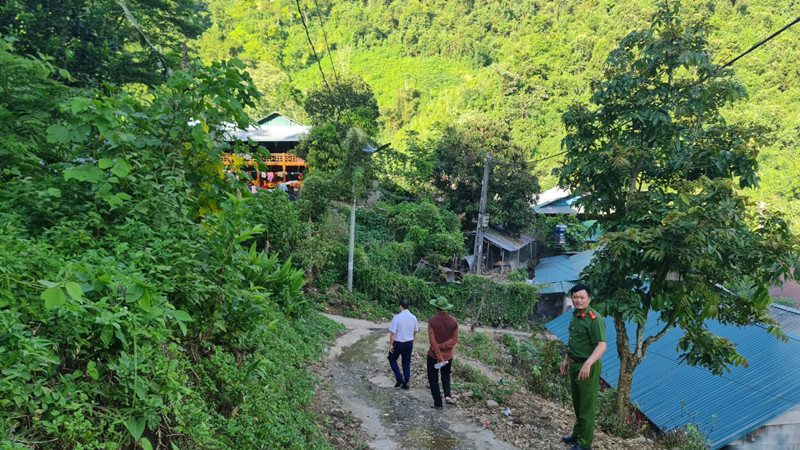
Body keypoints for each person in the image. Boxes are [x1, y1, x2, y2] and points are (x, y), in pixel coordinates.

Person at [559, 284, 607, 450]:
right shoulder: (575, 315)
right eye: (575, 297)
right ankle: (577, 435)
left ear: (589, 299)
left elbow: (601, 345)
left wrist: (588, 363)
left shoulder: (594, 319)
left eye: (582, 297)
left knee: (587, 405)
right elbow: (573, 341)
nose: (578, 300)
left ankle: (584, 443)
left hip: (588, 366)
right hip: (575, 364)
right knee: (578, 403)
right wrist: (566, 360)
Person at [426, 296, 459, 410]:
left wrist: (438, 353)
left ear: (436, 307)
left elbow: (432, 340)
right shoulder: (453, 321)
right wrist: (443, 347)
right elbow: (454, 340)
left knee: (433, 379)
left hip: (433, 355)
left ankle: (438, 403)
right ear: (446, 307)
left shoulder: (432, 321)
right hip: (448, 356)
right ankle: (448, 396)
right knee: (446, 375)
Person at [388, 298, 418, 389]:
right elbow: (415, 331)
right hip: (409, 343)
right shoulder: (413, 317)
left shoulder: (397, 318)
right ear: (409, 306)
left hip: (399, 343)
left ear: (400, 306)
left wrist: (391, 344)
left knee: (392, 359)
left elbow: (393, 333)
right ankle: (406, 382)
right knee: (406, 362)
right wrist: (410, 338)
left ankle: (399, 378)